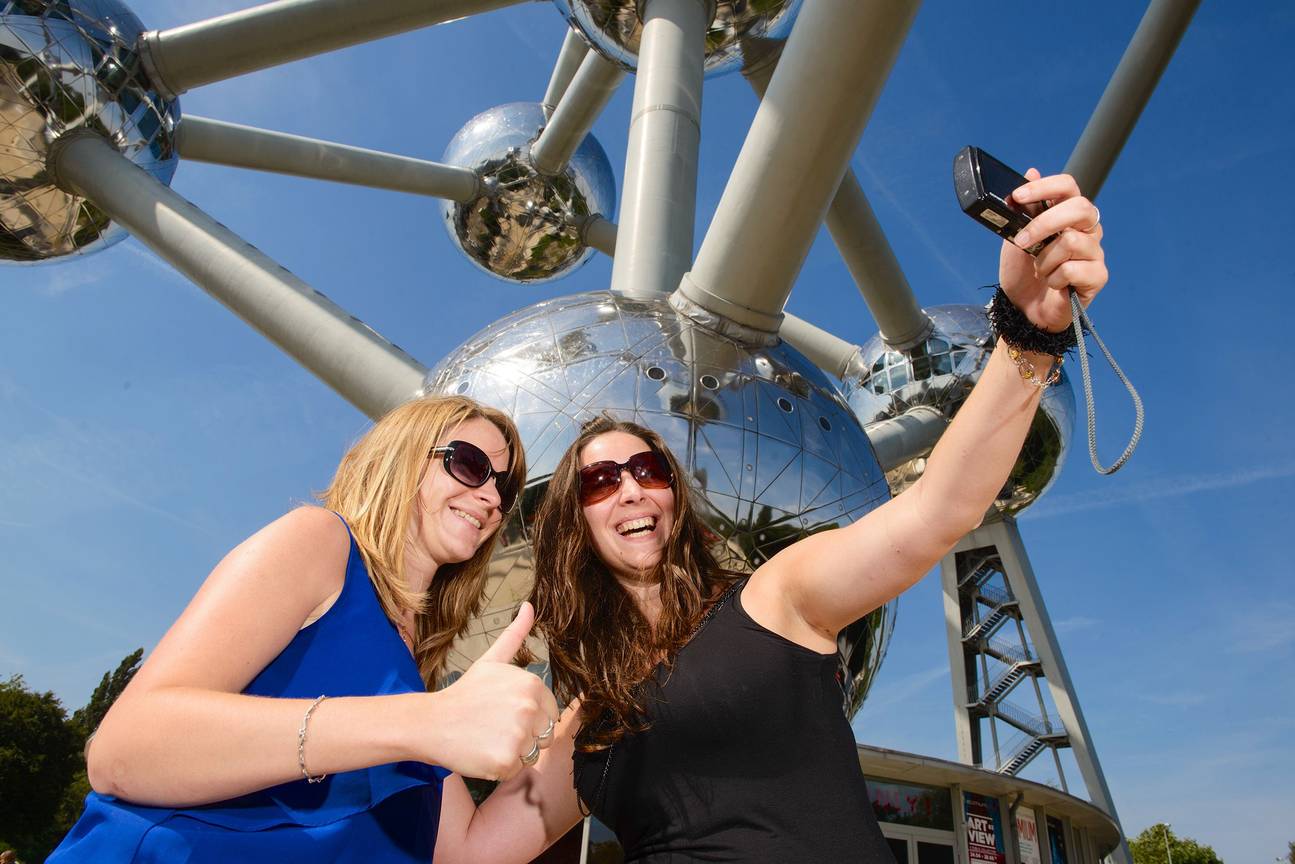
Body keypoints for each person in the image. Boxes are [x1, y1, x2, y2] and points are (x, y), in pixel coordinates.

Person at [431, 169, 1109, 863]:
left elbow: (937, 510)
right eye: (600, 480)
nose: (631, 488)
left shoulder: (775, 598)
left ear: (673, 496)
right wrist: (428, 716)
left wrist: (1027, 335)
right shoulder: (591, 717)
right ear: (573, 520)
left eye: (650, 469)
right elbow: (468, 853)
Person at [49, 395, 560, 862]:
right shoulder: (321, 543)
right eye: (471, 465)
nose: (492, 498)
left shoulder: (416, 673)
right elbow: (125, 749)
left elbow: (461, 853)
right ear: (401, 459)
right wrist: (421, 722)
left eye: (504, 485)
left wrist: (623, 692)